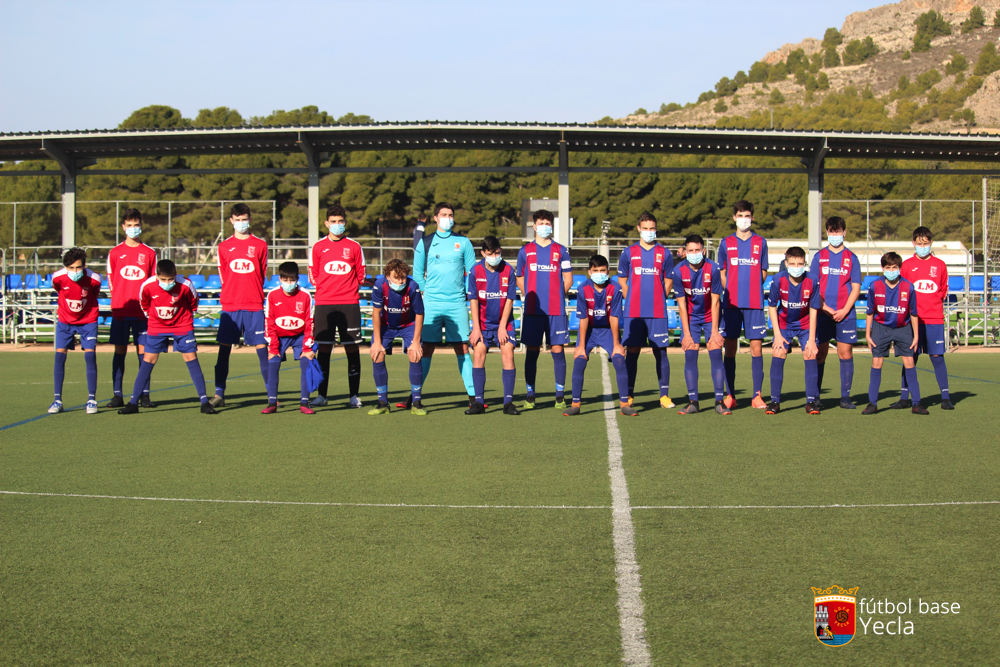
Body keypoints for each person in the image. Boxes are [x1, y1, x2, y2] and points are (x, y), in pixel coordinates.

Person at [118, 259, 216, 414]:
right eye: (163, 279)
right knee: (148, 360)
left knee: (191, 358)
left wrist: (184, 319)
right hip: (157, 326)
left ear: (175, 274)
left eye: (170, 279)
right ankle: (133, 403)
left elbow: (194, 303)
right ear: (157, 275)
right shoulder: (147, 285)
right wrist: (154, 318)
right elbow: (144, 304)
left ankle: (204, 402)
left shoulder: (186, 285)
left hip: (182, 325)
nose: (167, 283)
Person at [412, 202, 477, 408]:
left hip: (457, 303)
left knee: (462, 347)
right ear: (435, 218)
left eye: (450, 215)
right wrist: (427, 292)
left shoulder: (463, 242)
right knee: (426, 348)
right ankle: (415, 395)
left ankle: (474, 397)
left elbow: (473, 273)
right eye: (444, 214)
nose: (448, 218)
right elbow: (417, 273)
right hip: (431, 303)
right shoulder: (425, 242)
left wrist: (465, 293)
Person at [210, 203, 269, 408]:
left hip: (254, 304)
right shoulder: (224, 246)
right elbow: (223, 275)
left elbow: (262, 273)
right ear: (231, 221)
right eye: (237, 219)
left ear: (250, 219)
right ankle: (219, 394)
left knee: (262, 349)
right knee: (224, 351)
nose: (241, 223)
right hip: (231, 305)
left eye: (244, 219)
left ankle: (272, 395)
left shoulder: (260, 245)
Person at [309, 204, 366, 408]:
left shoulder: (354, 246)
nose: (337, 224)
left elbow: (361, 275)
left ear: (345, 223)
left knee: (351, 347)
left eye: (340, 221)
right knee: (324, 348)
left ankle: (354, 396)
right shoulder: (317, 247)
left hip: (349, 304)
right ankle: (322, 396)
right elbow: (313, 275)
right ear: (326, 223)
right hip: (324, 304)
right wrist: (328, 289)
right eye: (333, 221)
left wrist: (346, 290)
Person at [563, 255, 635, 417]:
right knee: (579, 360)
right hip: (589, 330)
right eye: (595, 270)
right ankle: (575, 405)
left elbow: (614, 317)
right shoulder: (583, 289)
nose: (599, 273)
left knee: (619, 359)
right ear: (589, 272)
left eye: (603, 270)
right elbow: (583, 318)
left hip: (608, 330)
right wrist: (581, 346)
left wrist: (617, 344)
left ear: (608, 271)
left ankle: (625, 404)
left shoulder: (615, 288)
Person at [617, 212, 675, 411]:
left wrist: (659, 297)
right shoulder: (628, 252)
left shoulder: (665, 253)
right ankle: (629, 394)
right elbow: (622, 279)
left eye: (652, 228)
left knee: (661, 351)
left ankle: (664, 396)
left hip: (657, 312)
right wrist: (631, 297)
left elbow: (668, 280)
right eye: (645, 228)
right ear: (638, 229)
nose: (649, 232)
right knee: (633, 352)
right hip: (634, 312)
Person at [516, 209, 574, 409]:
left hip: (556, 310)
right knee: (532, 351)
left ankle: (560, 395)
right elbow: (520, 278)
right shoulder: (525, 251)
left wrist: (556, 296)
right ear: (534, 226)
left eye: (548, 223)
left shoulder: (561, 250)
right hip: (533, 311)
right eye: (541, 223)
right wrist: (530, 295)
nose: (544, 227)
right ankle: (530, 394)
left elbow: (568, 279)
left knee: (557, 349)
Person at [862, 252, 927, 415]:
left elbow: (913, 313)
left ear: (899, 268)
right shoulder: (875, 286)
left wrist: (916, 335)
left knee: (909, 362)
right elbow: (869, 312)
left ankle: (916, 403)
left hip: (903, 328)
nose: (891, 271)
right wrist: (868, 334)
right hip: (881, 327)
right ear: (883, 268)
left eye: (894, 267)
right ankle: (872, 403)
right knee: (877, 362)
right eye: (888, 267)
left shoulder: (908, 287)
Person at [718, 200, 768, 409]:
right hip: (732, 305)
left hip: (754, 304)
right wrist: (731, 289)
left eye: (747, 215)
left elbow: (763, 272)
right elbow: (722, 272)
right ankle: (730, 395)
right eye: (740, 215)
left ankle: (757, 396)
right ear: (734, 217)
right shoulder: (725, 243)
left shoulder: (761, 242)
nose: (744, 219)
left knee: (756, 349)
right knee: (730, 349)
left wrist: (753, 287)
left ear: (752, 218)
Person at [105, 208, 157, 408]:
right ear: (123, 227)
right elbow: (111, 280)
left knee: (144, 353)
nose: (133, 228)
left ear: (141, 226)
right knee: (120, 351)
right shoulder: (115, 253)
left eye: (136, 225)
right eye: (129, 225)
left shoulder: (149, 253)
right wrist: (118, 299)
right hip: (121, 310)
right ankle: (117, 395)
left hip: (143, 313)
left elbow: (153, 282)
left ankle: (145, 395)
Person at [808, 216, 862, 409]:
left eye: (838, 231)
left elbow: (856, 288)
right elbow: (813, 287)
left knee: (845, 353)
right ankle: (815, 396)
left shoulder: (852, 258)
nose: (835, 235)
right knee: (820, 354)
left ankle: (845, 398)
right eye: (832, 231)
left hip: (845, 314)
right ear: (827, 233)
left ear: (844, 233)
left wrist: (845, 310)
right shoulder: (819, 257)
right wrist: (827, 308)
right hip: (823, 313)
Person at [898, 226, 953, 410]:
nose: (923, 247)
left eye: (926, 243)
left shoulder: (940, 265)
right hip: (912, 321)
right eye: (919, 243)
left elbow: (943, 290)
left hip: (934, 319)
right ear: (913, 243)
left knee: (937, 356)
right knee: (910, 357)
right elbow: (902, 291)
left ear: (931, 243)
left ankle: (945, 397)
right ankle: (904, 398)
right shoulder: (906, 265)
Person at [466, 236, 520, 415]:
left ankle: (508, 403)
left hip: (504, 323)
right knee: (478, 354)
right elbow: (473, 300)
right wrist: (476, 328)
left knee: (508, 354)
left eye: (497, 253)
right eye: (490, 254)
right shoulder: (475, 271)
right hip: (482, 325)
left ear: (500, 251)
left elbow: (509, 300)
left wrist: (502, 326)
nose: (494, 257)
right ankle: (479, 403)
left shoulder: (508, 270)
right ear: (483, 253)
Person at [673, 234, 726, 415]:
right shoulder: (678, 271)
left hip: (712, 316)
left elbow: (716, 301)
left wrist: (715, 331)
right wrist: (687, 334)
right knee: (690, 355)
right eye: (690, 250)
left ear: (704, 251)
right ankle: (693, 402)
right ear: (685, 252)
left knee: (716, 353)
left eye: (697, 250)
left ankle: (719, 402)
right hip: (691, 318)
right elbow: (681, 305)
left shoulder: (713, 269)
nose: (694, 253)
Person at [368, 258, 426, 415]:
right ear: (387, 276)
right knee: (377, 354)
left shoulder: (413, 286)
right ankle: (382, 403)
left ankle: (416, 403)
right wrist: (377, 342)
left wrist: (416, 342)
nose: (400, 281)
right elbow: (376, 313)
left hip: (408, 325)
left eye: (403, 277)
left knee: (415, 354)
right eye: (396, 277)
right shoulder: (379, 285)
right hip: (386, 326)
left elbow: (420, 313)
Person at [768, 247, 821, 414]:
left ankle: (811, 402)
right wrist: (777, 335)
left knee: (810, 353)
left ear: (805, 263)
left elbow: (814, 309)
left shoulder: (813, 280)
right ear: (786, 263)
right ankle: (775, 401)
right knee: (778, 352)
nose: (796, 267)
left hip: (805, 324)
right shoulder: (778, 279)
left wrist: (811, 338)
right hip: (784, 324)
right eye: (792, 263)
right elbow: (771, 306)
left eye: (800, 264)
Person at [48, 248, 101, 415]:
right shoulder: (57, 278)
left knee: (90, 356)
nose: (75, 271)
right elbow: (58, 289)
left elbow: (95, 293)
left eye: (78, 267)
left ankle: (91, 400)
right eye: (71, 268)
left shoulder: (94, 278)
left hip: (88, 321)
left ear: (84, 265)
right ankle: (57, 400)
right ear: (65, 267)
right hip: (65, 321)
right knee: (59, 356)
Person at [262, 262, 316, 414]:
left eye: (292, 280)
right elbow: (269, 322)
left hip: (300, 336)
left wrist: (307, 347)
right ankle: (272, 402)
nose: (288, 283)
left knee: (306, 361)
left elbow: (310, 322)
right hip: (280, 337)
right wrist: (273, 347)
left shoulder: (305, 295)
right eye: (285, 279)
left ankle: (304, 403)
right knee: (273, 361)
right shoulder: (272, 295)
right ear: (280, 279)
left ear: (297, 279)